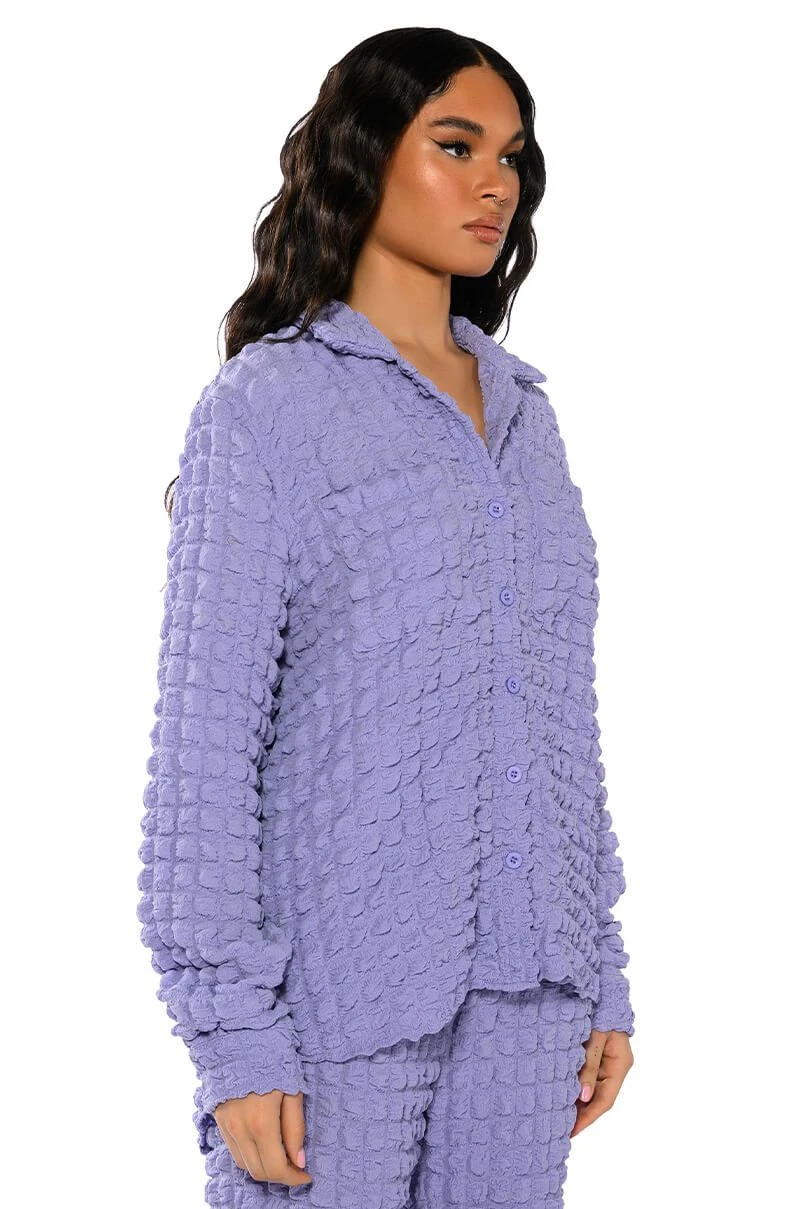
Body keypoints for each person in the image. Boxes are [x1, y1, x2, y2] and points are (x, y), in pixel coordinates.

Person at [137, 25, 635, 1209]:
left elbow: (560, 726)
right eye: (454, 145)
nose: (494, 183)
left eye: (510, 155)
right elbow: (205, 749)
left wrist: (600, 970)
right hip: (335, 1006)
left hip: (530, 1001)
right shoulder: (267, 405)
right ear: (364, 155)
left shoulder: (526, 418)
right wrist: (232, 1032)